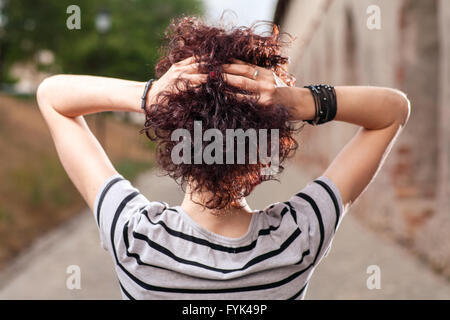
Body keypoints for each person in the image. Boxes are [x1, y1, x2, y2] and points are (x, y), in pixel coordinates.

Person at [36, 16, 410, 300]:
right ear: (268, 149)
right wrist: (300, 100)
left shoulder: (135, 240)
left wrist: (151, 95)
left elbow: (52, 96)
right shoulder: (297, 239)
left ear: (175, 136)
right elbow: (393, 111)